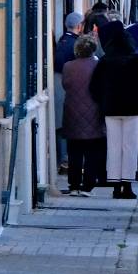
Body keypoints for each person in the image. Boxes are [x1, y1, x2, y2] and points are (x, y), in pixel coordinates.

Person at [90, 21, 138, 200]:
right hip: (132, 109)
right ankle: (126, 184)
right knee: (130, 147)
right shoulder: (136, 61)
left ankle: (116, 185)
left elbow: (94, 87)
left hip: (110, 109)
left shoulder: (104, 62)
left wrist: (103, 101)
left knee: (114, 147)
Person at [61, 35, 104, 196]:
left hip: (72, 112)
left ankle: (73, 184)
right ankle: (88, 185)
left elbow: (65, 85)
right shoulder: (98, 65)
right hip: (94, 112)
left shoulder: (68, 67)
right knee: (92, 152)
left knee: (74, 152)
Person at [54, 12, 85, 172]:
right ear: (79, 26)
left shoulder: (61, 41)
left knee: (60, 126)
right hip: (68, 88)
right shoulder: (75, 44)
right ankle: (66, 159)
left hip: (58, 86)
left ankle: (62, 158)